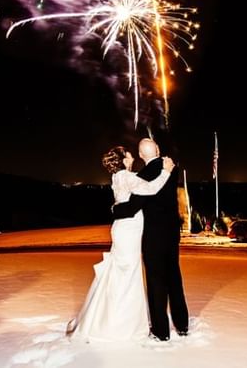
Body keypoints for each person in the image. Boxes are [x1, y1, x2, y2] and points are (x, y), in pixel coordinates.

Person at [67, 145, 175, 342]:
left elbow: (123, 201)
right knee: (127, 272)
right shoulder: (126, 176)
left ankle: (110, 317)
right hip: (129, 231)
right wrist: (166, 172)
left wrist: (115, 208)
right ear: (124, 160)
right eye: (128, 154)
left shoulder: (118, 177)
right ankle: (120, 324)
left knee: (121, 271)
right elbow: (150, 189)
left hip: (123, 229)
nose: (132, 155)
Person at [112, 138, 189, 341]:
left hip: (153, 234)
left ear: (140, 154)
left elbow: (132, 207)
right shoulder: (172, 167)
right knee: (174, 275)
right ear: (158, 150)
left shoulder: (143, 175)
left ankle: (161, 331)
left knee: (156, 281)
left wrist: (114, 209)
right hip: (172, 231)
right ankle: (182, 325)